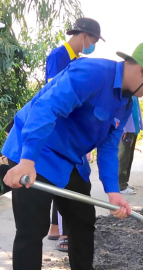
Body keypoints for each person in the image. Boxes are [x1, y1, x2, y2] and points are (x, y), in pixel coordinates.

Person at [2, 41, 143, 270]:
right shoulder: (92, 73)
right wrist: (27, 161)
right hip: (37, 150)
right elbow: (46, 108)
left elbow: (107, 148)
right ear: (142, 71)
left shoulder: (126, 103)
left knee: (83, 222)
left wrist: (113, 192)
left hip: (70, 159)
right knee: (32, 230)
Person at [45, 17, 104, 252]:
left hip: (72, 129)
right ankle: (62, 231)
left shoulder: (77, 60)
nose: (94, 45)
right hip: (59, 129)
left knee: (66, 178)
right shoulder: (59, 56)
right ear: (84, 36)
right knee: (63, 179)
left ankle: (57, 228)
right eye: (94, 40)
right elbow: (55, 95)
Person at [118, 96, 143, 195]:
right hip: (126, 130)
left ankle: (124, 181)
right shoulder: (125, 93)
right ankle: (120, 185)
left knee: (129, 157)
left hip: (133, 129)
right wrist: (123, 128)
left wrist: (140, 125)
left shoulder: (135, 94)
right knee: (123, 156)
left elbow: (137, 110)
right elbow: (119, 110)